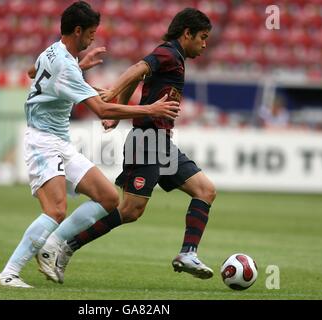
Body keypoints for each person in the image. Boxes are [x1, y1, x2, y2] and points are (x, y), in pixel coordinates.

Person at [0, 1, 179, 288]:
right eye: (91, 32)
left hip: (59, 141)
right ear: (77, 31)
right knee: (55, 210)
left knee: (108, 198)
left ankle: (51, 245)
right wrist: (150, 110)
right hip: (42, 142)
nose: (93, 37)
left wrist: (80, 67)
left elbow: (34, 73)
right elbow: (103, 111)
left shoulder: (53, 51)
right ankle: (8, 273)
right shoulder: (65, 64)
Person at [38, 8, 216, 284]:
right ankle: (66, 246)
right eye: (202, 37)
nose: (204, 44)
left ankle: (187, 253)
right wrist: (111, 93)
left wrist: (119, 99)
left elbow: (140, 79)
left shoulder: (175, 58)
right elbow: (137, 69)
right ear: (187, 33)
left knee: (205, 190)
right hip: (146, 141)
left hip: (162, 142)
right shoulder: (168, 52)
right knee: (130, 210)